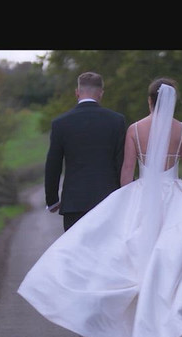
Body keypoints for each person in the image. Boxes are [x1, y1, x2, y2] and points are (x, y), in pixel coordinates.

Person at [18, 78, 182, 337]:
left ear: (149, 100)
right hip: (175, 199)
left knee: (135, 260)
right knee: (171, 261)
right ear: (173, 100)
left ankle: (131, 321)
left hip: (142, 194)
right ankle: (171, 320)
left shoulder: (134, 129)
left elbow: (126, 170)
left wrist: (124, 202)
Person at [45, 72, 126, 231]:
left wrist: (52, 200)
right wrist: (124, 196)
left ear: (77, 92)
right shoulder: (117, 121)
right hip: (109, 201)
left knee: (76, 255)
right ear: (101, 94)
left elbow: (53, 165)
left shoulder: (61, 123)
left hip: (74, 203)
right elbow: (121, 162)